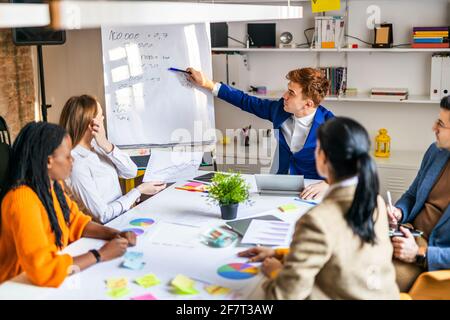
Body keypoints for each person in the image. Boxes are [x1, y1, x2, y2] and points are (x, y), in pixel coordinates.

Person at [239, 117, 399, 299]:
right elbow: (344, 254)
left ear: (322, 157)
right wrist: (280, 253)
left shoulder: (317, 219)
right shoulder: (374, 200)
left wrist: (276, 273)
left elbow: (283, 296)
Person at [0, 122, 136, 287]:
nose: (72, 160)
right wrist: (100, 255)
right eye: (67, 156)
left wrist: (115, 234)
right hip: (17, 287)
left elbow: (77, 223)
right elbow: (43, 270)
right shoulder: (22, 199)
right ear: (49, 161)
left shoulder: (53, 188)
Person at [187, 67, 334, 200]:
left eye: (291, 93)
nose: (284, 96)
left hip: (312, 189)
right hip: (278, 183)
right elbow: (246, 101)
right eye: (287, 90)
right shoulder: (279, 110)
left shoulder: (332, 126)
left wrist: (328, 183)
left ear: (308, 103)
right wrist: (207, 83)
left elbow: (352, 164)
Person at [59, 95, 166, 224]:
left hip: (122, 219)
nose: (103, 118)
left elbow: (131, 171)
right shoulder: (76, 164)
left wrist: (105, 143)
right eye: (100, 115)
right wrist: (138, 192)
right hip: (105, 230)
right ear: (91, 124)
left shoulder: (97, 147)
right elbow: (102, 215)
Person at [388, 95, 450, 292]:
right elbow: (412, 195)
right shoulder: (436, 151)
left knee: (375, 281)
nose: (434, 127)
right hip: (409, 231)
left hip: (427, 254)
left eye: (441, 123)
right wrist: (399, 212)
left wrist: (419, 253)